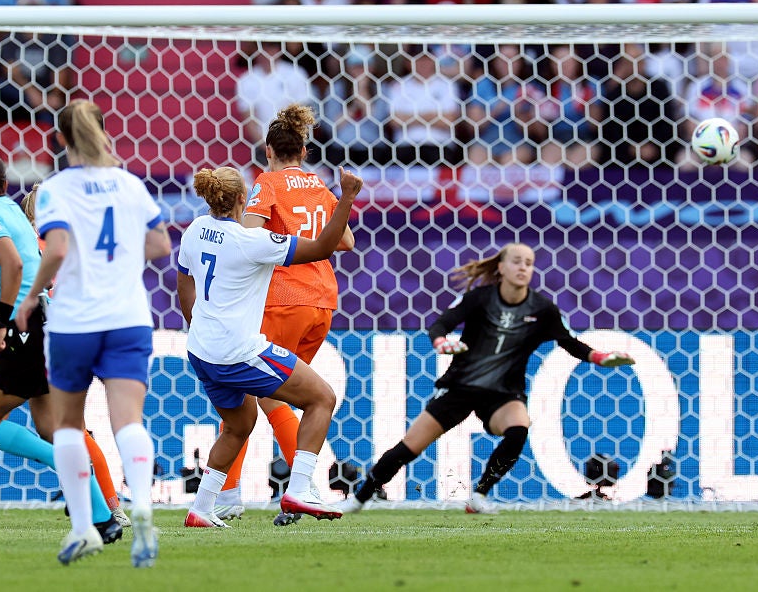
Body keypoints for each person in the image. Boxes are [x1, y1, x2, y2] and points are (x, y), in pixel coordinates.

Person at [339, 243, 635, 515]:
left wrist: (601, 358)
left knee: (519, 428)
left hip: (503, 394)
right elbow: (442, 323)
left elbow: (569, 342)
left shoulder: (542, 310)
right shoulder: (479, 299)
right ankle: (360, 498)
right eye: (516, 261)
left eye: (529, 263)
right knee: (410, 447)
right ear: (501, 268)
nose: (523, 267)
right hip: (459, 388)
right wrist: (441, 342)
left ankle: (479, 495)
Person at [15, 100, 171, 567]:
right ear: (103, 133)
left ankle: (84, 528)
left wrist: (30, 296)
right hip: (128, 317)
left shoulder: (55, 189)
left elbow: (58, 246)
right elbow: (161, 244)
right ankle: (142, 505)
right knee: (128, 420)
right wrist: (121, 264)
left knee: (66, 424)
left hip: (76, 321)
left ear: (61, 139)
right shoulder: (130, 184)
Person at [0, 155, 126, 541]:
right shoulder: (13, 212)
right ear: (6, 184)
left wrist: (4, 322)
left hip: (26, 331)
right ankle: (104, 517)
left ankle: (75, 489)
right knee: (53, 430)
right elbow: (23, 269)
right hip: (48, 324)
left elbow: (12, 265)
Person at [176, 164, 362, 527]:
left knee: (238, 424)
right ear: (243, 200)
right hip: (239, 353)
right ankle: (300, 489)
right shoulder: (252, 242)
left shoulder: (195, 230)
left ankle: (201, 507)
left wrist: (196, 325)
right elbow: (325, 247)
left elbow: (184, 282)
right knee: (321, 398)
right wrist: (347, 198)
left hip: (201, 350)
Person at [210, 104, 355, 525]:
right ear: (306, 150)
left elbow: (248, 234)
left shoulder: (267, 182)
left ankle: (235, 494)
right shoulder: (320, 187)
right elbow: (343, 240)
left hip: (283, 299)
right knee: (286, 394)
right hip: (323, 301)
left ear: (268, 148)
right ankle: (300, 488)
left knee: (247, 393)